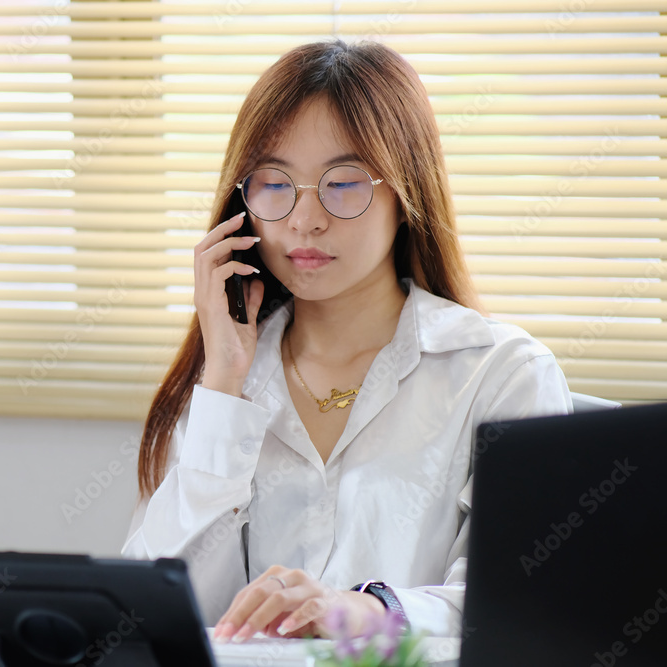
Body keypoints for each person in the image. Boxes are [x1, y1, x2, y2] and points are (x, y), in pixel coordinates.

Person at [120, 40, 571, 643]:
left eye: (343, 182)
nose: (305, 219)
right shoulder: (225, 381)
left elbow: (524, 602)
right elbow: (149, 615)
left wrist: (368, 611)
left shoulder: (501, 373)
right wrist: (224, 385)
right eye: (275, 183)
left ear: (404, 192)